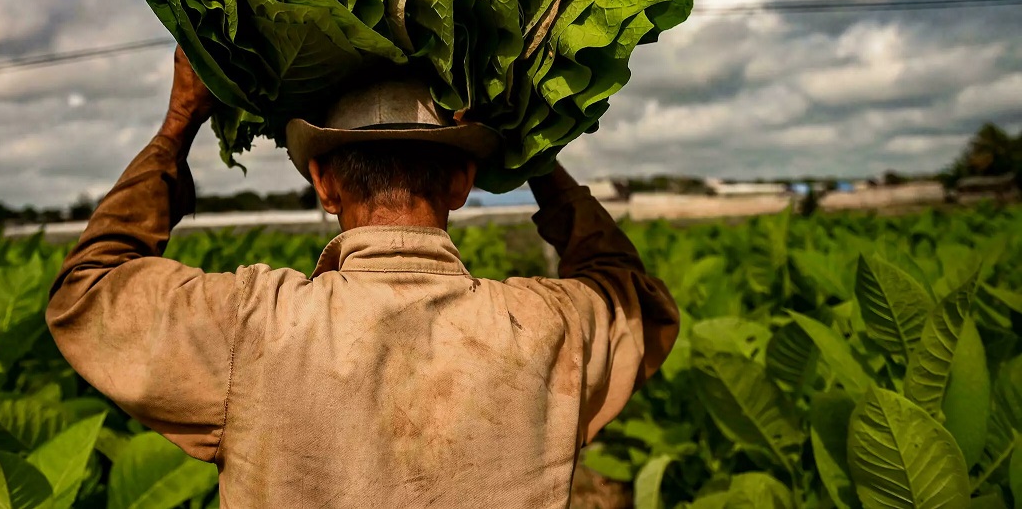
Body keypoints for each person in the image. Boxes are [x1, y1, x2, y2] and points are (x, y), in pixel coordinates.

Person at [47, 48, 679, 508]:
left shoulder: (252, 326)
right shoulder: (549, 329)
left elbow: (89, 288)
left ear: (322, 184)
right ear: (463, 183)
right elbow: (628, 293)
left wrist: (178, 124)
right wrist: (537, 154)